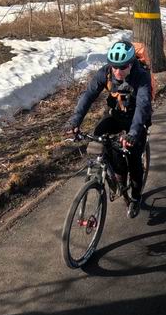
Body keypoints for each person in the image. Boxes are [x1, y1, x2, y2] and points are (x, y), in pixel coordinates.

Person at [65, 40, 152, 218]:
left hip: (136, 120)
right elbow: (88, 96)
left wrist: (133, 133)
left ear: (132, 63)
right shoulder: (104, 73)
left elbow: (143, 106)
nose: (118, 72)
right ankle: (116, 173)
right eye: (114, 67)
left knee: (134, 158)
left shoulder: (141, 76)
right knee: (99, 135)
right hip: (116, 116)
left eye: (123, 67)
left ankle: (136, 197)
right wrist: (75, 121)